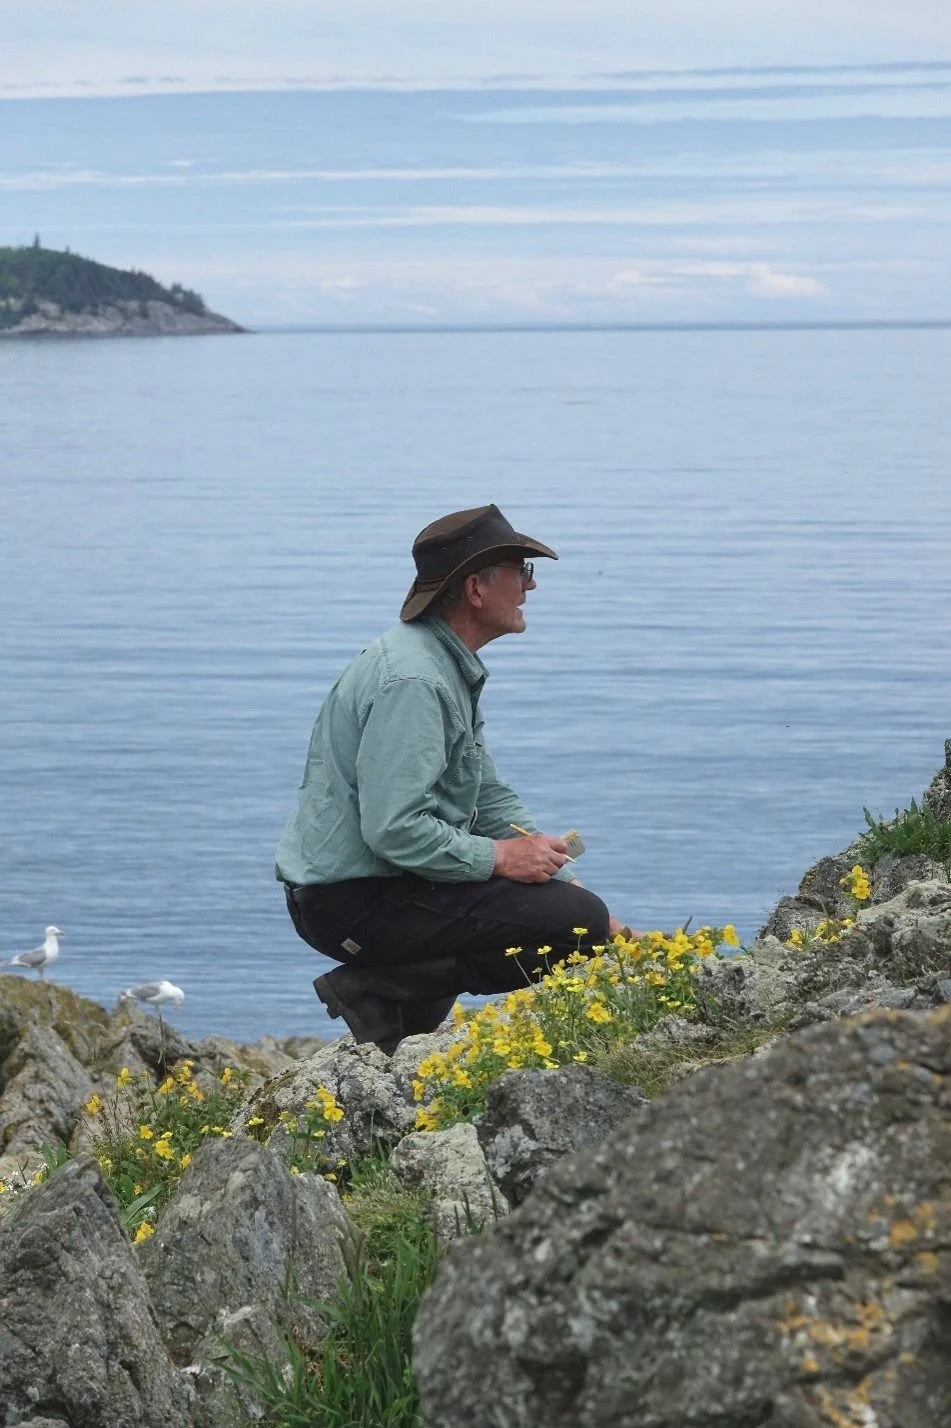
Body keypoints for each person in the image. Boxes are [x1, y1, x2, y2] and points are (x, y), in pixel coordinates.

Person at [276, 503, 621, 1055]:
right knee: (575, 924)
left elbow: (485, 792)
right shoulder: (414, 680)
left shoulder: (441, 662)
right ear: (476, 590)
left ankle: (395, 1032)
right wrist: (506, 860)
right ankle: (375, 988)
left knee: (579, 913)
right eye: (521, 571)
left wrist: (553, 871)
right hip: (351, 901)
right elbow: (393, 830)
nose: (530, 587)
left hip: (381, 885)